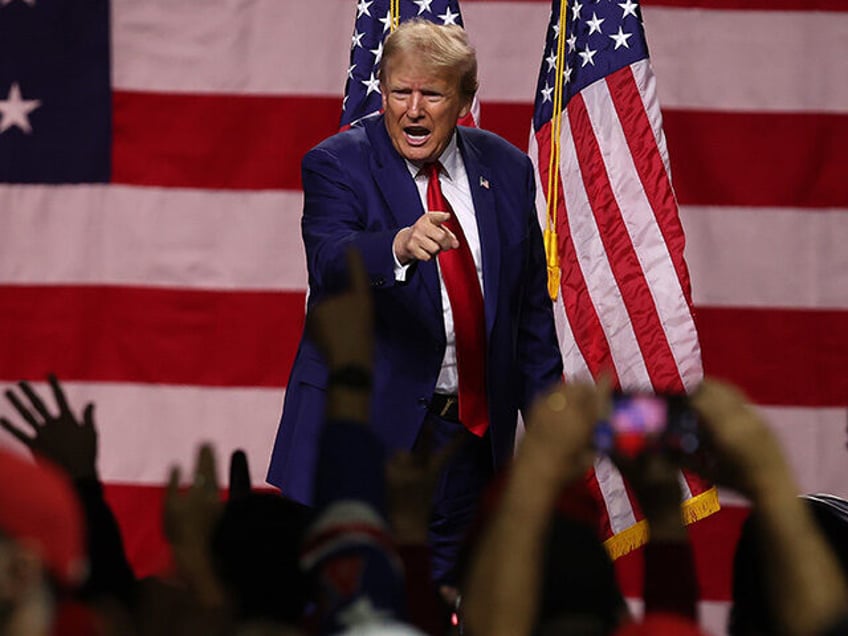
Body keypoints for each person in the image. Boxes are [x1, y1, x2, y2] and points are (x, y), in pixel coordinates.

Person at [267, 18, 563, 585]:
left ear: (465, 99)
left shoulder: (507, 168)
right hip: (365, 436)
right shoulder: (337, 163)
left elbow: (528, 315)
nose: (414, 109)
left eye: (432, 93)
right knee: (358, 606)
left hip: (469, 442)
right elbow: (330, 263)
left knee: (455, 603)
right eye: (400, 91)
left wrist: (553, 426)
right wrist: (397, 246)